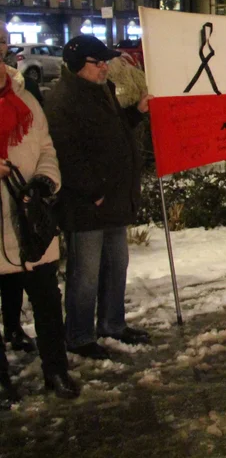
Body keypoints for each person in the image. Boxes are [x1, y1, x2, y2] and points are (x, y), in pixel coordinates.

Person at [45, 36, 152, 360]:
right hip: (87, 205)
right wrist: (94, 192)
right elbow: (67, 153)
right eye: (98, 62)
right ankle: (78, 335)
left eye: (105, 61)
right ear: (79, 66)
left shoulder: (100, 90)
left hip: (111, 200)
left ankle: (112, 323)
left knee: (116, 264)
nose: (106, 67)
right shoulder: (63, 100)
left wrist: (137, 112)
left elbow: (115, 130)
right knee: (86, 273)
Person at [0, 51, 79, 406]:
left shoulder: (25, 96)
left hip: (31, 222)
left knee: (47, 300)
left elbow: (45, 147)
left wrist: (46, 181)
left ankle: (56, 370)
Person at [0, 28, 41, 356]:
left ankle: (13, 327)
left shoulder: (21, 93)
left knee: (13, 271)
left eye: (1, 41)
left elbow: (43, 144)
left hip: (14, 197)